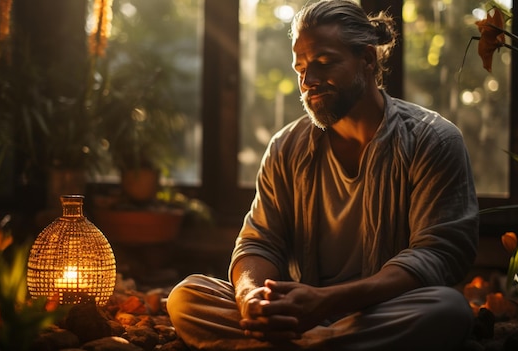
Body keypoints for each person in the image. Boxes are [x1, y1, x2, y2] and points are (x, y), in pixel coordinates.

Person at [167, 1, 479, 350]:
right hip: (297, 313)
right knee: (187, 296)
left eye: (324, 63)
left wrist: (327, 301)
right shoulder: (286, 147)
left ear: (368, 59)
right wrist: (251, 300)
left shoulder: (431, 140)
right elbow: (259, 242)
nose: (308, 81)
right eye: (300, 68)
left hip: (378, 311)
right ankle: (319, 342)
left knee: (447, 310)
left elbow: (438, 255)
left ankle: (293, 343)